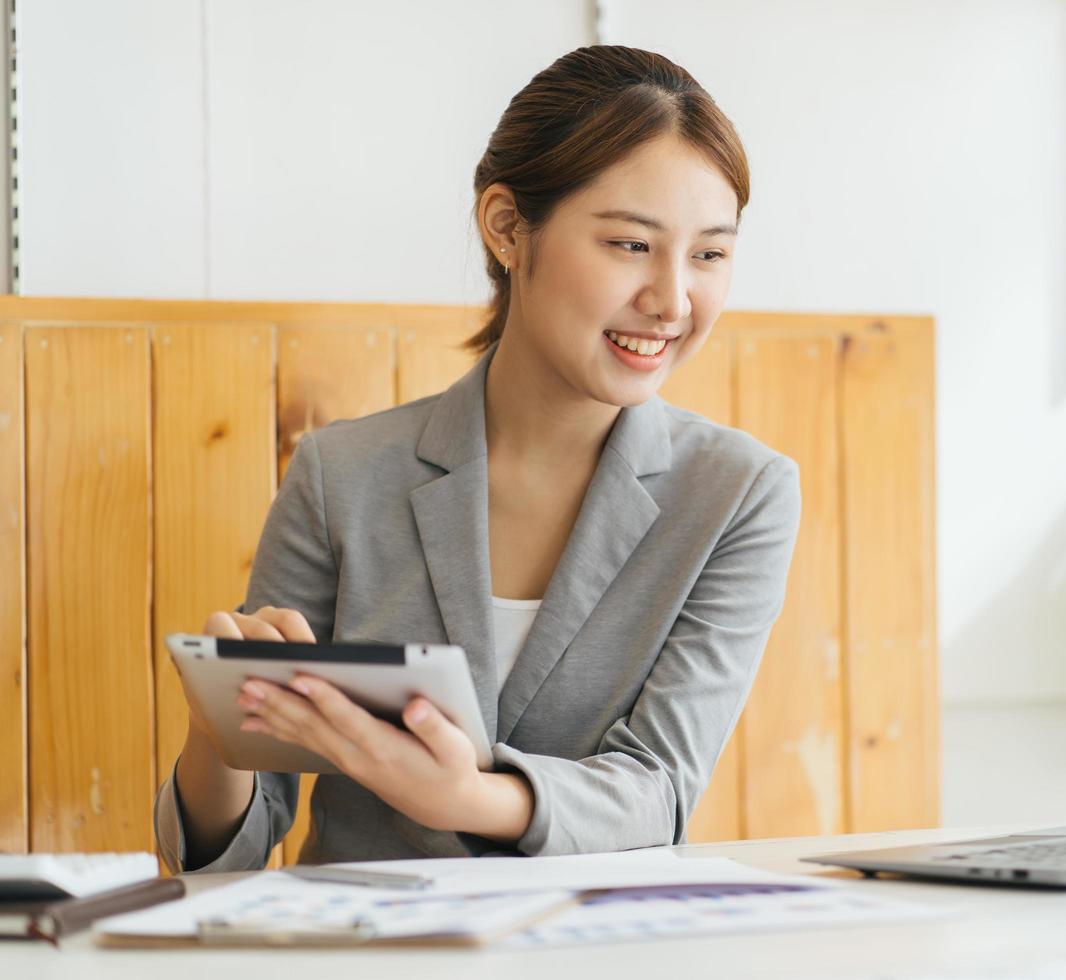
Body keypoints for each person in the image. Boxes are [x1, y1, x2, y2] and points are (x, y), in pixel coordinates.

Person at [154, 44, 802, 871]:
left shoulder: (739, 494)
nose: (673, 299)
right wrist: (216, 732)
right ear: (506, 227)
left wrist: (465, 796)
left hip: (600, 944)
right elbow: (225, 856)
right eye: (631, 245)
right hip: (368, 946)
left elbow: (659, 788)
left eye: (709, 254)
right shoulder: (339, 476)